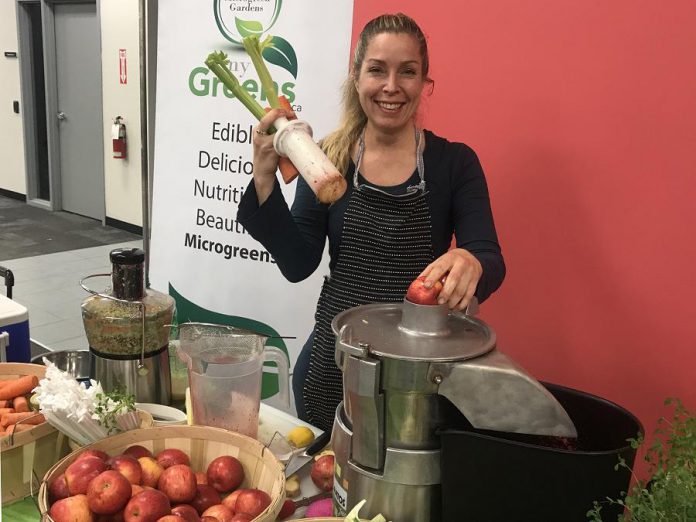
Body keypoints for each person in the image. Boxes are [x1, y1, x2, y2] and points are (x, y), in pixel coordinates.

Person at [237, 13, 505, 431]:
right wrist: (264, 176)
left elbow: (489, 255)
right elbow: (297, 263)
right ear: (357, 77)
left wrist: (474, 262)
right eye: (377, 70)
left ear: (424, 83)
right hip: (334, 367)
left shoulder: (454, 164)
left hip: (416, 376)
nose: (391, 86)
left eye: (408, 72)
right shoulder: (327, 160)